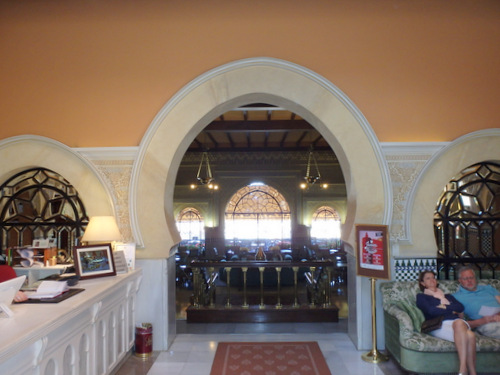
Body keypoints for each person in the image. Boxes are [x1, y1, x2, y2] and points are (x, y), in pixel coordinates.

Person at [416, 270, 477, 375]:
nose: (432, 280)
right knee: (470, 335)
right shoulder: (422, 297)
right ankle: (466, 370)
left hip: (457, 323)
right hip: (439, 325)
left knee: (461, 326)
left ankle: (466, 371)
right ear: (422, 283)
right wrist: (451, 309)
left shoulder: (448, 296)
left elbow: (460, 307)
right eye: (428, 278)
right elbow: (431, 311)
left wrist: (443, 307)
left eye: (433, 277)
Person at [453, 265, 500, 339]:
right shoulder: (456, 297)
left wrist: (498, 315)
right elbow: (459, 321)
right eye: (465, 278)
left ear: (475, 278)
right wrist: (482, 321)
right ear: (460, 280)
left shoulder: (488, 288)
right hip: (486, 323)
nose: (469, 280)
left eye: (471, 277)